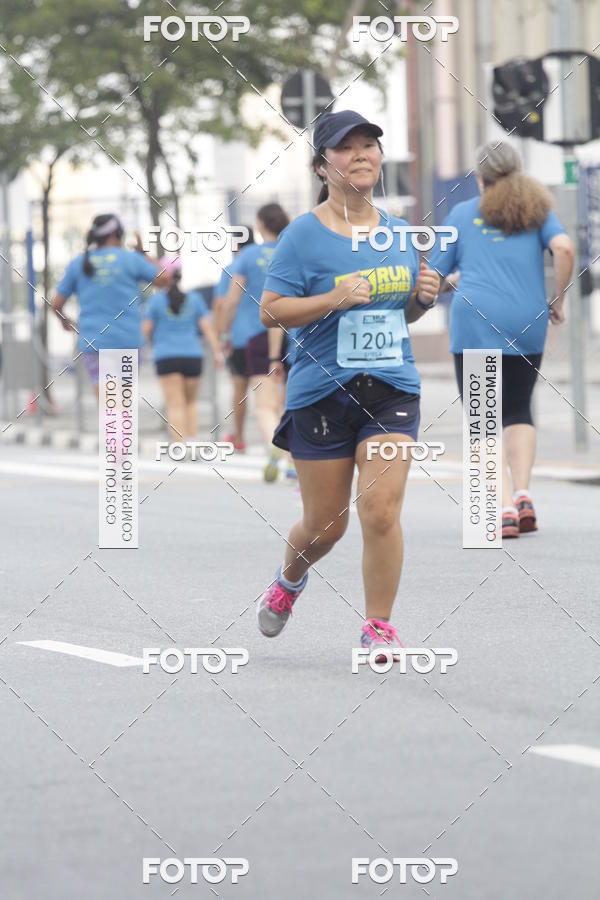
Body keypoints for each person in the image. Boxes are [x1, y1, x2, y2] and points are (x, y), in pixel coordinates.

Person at [256, 110, 440, 655]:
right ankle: (290, 579)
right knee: (324, 527)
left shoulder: (402, 234)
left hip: (390, 386)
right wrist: (332, 298)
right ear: (321, 165)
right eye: (347, 148)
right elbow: (271, 312)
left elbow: (397, 315)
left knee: (380, 509)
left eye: (370, 146)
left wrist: (420, 300)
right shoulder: (301, 236)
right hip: (320, 393)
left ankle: (378, 625)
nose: (363, 154)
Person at [429, 140, 574, 538]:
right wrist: (557, 301)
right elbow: (563, 248)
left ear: (480, 177)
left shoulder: (462, 213)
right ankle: (524, 494)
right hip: (527, 320)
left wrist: (447, 282)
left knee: (482, 421)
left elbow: (435, 276)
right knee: (517, 410)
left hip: (475, 322)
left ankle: (504, 508)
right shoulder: (536, 210)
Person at [51, 214, 167, 398]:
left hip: (93, 343)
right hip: (127, 342)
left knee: (108, 410)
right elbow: (165, 280)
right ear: (116, 234)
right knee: (122, 406)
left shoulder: (78, 263)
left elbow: (56, 304)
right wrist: (143, 253)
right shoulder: (131, 259)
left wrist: (65, 321)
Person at [222, 203, 290, 481]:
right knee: (288, 400)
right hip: (294, 332)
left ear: (260, 224)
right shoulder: (292, 249)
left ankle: (276, 446)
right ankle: (296, 456)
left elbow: (232, 299)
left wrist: (224, 333)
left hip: (256, 334)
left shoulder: (248, 256)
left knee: (264, 404)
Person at [142, 256, 224, 444]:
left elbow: (144, 332)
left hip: (166, 357)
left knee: (174, 404)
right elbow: (208, 329)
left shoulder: (156, 302)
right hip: (192, 357)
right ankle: (192, 441)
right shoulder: (195, 299)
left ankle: (179, 445)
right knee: (190, 402)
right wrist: (218, 353)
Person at [212, 225, 255, 451]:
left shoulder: (232, 268)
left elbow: (221, 304)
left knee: (240, 388)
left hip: (239, 337)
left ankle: (239, 437)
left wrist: (221, 336)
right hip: (272, 335)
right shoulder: (269, 261)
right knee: (273, 390)